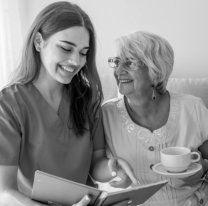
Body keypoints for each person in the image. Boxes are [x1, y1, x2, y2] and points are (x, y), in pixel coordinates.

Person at [0, 2, 137, 206]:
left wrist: (113, 168)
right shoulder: (9, 104)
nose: (75, 61)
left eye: (83, 53)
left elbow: (95, 164)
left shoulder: (87, 98)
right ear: (39, 42)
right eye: (66, 48)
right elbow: (4, 192)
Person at [102, 31, 208, 206]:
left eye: (130, 62)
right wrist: (113, 174)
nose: (119, 71)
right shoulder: (106, 114)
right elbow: (96, 167)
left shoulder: (192, 108)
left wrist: (201, 171)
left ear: (155, 70)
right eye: (116, 62)